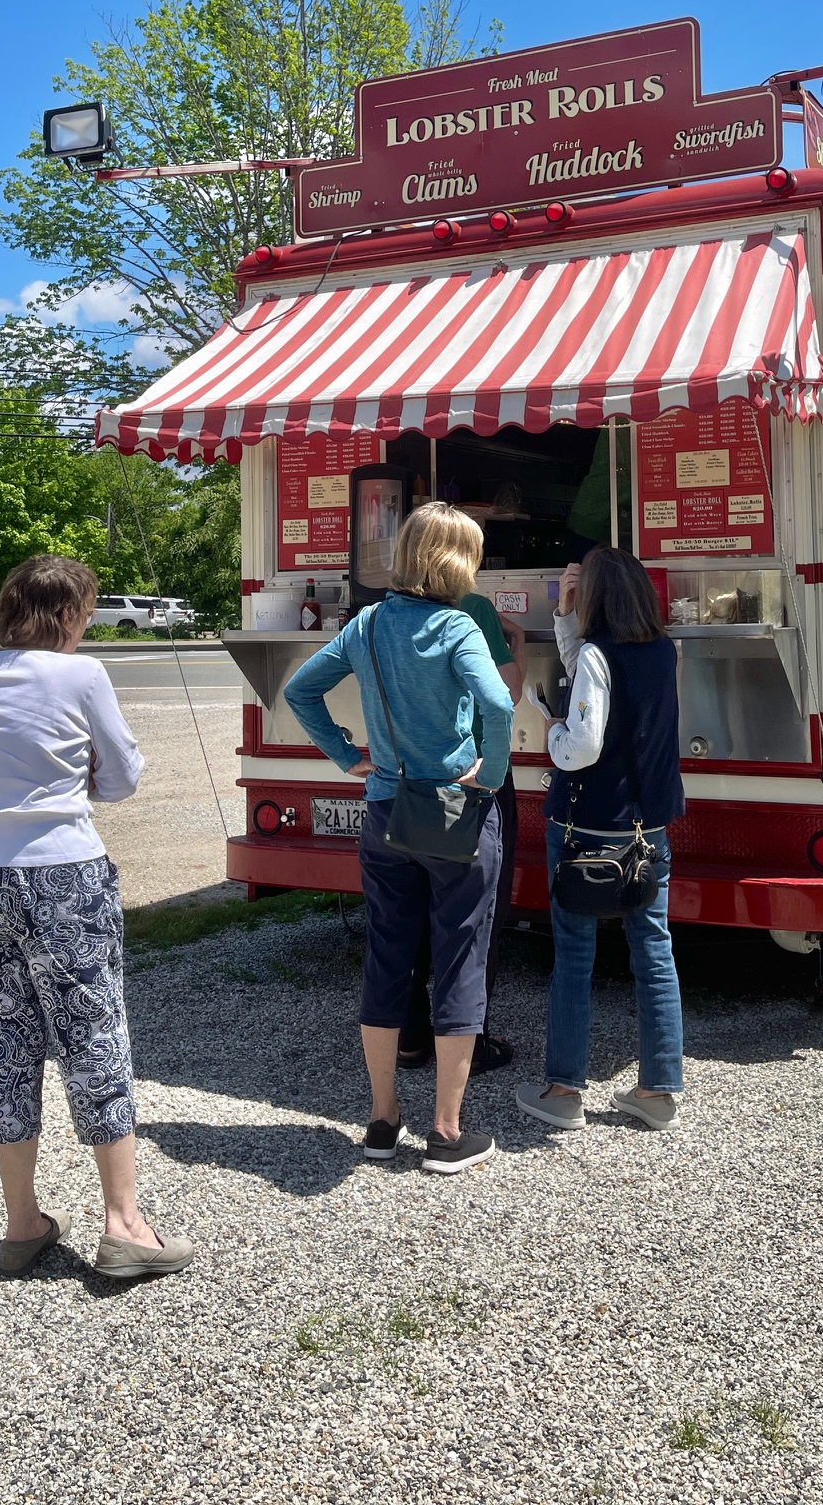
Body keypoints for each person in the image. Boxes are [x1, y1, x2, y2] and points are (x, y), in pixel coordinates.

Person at [0, 555, 191, 1278]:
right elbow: (121, 777)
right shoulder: (82, 676)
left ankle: (22, 1222)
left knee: (1, 1035)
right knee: (93, 1033)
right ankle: (124, 1225)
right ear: (71, 614)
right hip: (60, 872)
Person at [284, 503, 514, 1175]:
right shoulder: (456, 624)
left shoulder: (367, 623)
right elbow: (498, 704)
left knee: (388, 958)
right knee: (460, 959)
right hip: (452, 810)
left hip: (385, 808)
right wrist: (492, 773)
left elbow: (303, 691)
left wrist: (344, 752)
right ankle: (446, 1131)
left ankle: (382, 1119)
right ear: (455, 561)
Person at [516, 545, 686, 1133]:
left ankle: (564, 1090)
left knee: (574, 956)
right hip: (648, 825)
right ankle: (659, 1091)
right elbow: (597, 680)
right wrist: (566, 618)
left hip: (587, 826)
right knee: (654, 952)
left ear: (596, 599)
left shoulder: (596, 655)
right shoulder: (665, 651)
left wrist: (554, 730)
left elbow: (584, 741)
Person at [399, 588, 525, 1074]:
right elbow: (507, 692)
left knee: (408, 913)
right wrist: (517, 641)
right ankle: (469, 1044)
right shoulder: (472, 607)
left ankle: (409, 1038)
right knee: (472, 921)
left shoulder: (384, 616)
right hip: (469, 778)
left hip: (407, 781)